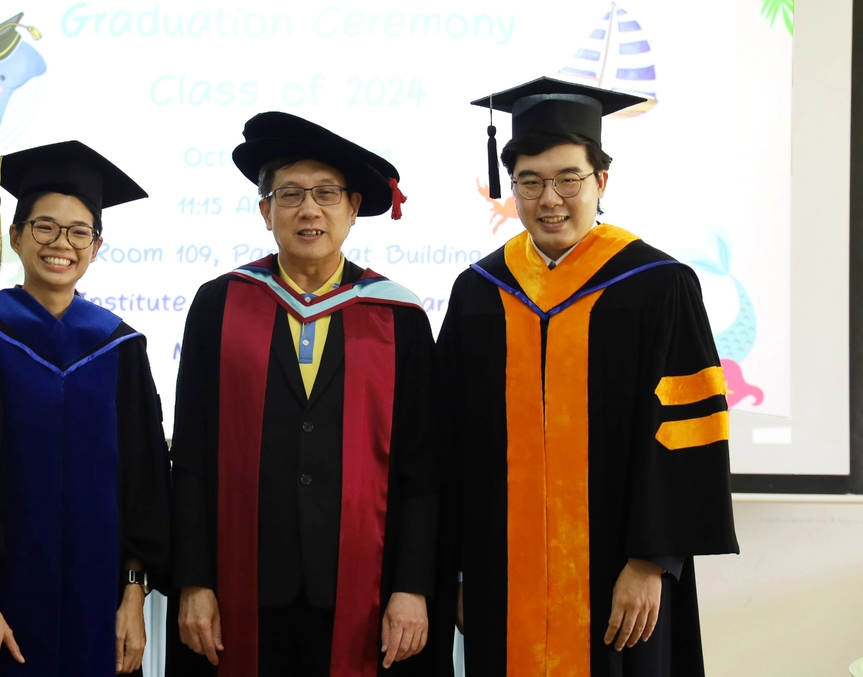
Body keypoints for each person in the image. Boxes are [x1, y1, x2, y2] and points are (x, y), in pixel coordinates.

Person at [439, 78, 739, 677]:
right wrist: (459, 572)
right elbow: (448, 443)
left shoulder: (659, 286)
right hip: (502, 574)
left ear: (602, 181)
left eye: (568, 179)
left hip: (620, 575)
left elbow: (690, 432)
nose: (550, 199)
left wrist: (652, 562)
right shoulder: (479, 293)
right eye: (530, 181)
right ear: (512, 189)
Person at [167, 112, 450, 677]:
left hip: (366, 590)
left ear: (353, 207)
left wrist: (413, 586)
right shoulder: (220, 305)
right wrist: (193, 582)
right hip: (242, 586)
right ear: (265, 211)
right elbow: (192, 455)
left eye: (326, 193)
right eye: (290, 194)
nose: (309, 209)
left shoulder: (398, 316)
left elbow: (423, 465)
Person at [0, 141, 171, 677]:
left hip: (97, 611)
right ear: (16, 236)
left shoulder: (121, 348)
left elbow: (145, 485)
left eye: (79, 231)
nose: (61, 243)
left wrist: (134, 595)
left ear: (97, 246)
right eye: (45, 227)